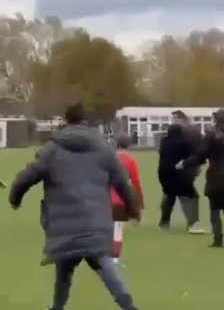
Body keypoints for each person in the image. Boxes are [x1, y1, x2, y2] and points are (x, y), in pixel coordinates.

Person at [8, 103, 142, 310]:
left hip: (64, 223)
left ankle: (57, 307)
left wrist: (15, 197)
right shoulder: (104, 149)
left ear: (66, 120)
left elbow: (28, 175)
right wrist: (133, 209)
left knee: (64, 269)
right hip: (95, 220)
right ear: (87, 122)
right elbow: (122, 182)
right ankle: (127, 305)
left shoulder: (53, 149)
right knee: (105, 267)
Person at [178, 109, 224, 248]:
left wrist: (184, 163)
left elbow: (200, 155)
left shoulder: (211, 137)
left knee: (215, 210)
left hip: (217, 176)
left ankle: (218, 239)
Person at [160, 110, 205, 234]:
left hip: (171, 169)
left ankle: (165, 221)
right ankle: (193, 222)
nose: (173, 121)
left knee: (170, 194)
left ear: (182, 119)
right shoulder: (188, 133)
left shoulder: (170, 136)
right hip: (183, 169)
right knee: (187, 195)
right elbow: (199, 151)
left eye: (175, 118)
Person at [110, 134, 144, 268]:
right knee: (117, 229)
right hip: (121, 200)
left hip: (104, 198)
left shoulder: (109, 159)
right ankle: (114, 257)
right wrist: (139, 204)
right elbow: (136, 183)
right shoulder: (130, 161)